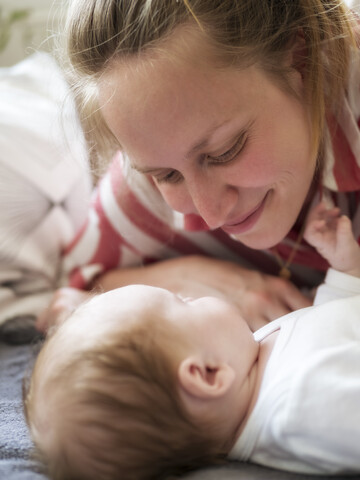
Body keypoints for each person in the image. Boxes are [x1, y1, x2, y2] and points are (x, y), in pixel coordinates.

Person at [39, 0, 360, 330]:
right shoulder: (142, 184)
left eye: (225, 152)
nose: (210, 214)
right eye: (167, 176)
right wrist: (188, 281)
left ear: (299, 58)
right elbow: (72, 297)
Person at [24, 202, 360, 480]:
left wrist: (344, 271)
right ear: (208, 374)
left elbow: (331, 326)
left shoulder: (252, 363)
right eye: (182, 302)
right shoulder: (301, 406)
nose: (189, 292)